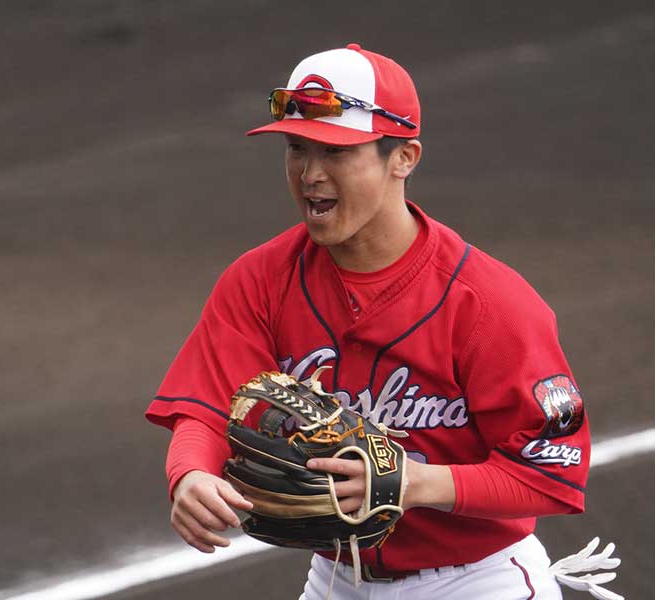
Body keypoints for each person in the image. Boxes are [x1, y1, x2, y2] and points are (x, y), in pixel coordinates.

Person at [146, 43, 594, 599]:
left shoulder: (490, 303)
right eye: (297, 148)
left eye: (336, 153)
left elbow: (552, 475)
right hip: (339, 580)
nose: (310, 174)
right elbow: (208, 409)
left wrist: (418, 483)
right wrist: (189, 474)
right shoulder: (259, 281)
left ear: (403, 157)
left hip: (478, 581)